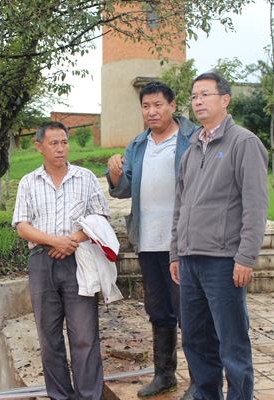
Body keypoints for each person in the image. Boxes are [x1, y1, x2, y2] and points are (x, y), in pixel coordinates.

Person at [169, 71, 269, 400]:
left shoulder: (244, 143)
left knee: (232, 342)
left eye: (205, 95)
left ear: (225, 99)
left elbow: (256, 205)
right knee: (196, 340)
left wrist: (246, 257)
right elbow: (180, 206)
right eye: (194, 96)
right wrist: (175, 253)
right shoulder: (191, 150)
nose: (198, 101)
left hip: (223, 262)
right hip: (190, 261)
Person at [106, 81, 197, 399]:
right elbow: (122, 189)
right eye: (146, 106)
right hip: (147, 240)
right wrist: (114, 172)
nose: (152, 111)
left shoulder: (192, 138)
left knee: (188, 311)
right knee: (158, 309)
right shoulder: (138, 144)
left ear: (172, 105)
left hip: (182, 244)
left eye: (158, 104)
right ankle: (165, 376)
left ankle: (199, 381)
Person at [12, 120, 110, 400]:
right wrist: (54, 241)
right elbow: (22, 226)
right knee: (49, 337)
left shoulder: (85, 178)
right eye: (53, 143)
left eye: (64, 142)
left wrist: (71, 241)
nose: (60, 148)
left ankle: (88, 395)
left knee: (84, 336)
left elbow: (100, 218)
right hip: (42, 263)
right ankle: (60, 396)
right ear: (39, 146)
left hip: (79, 260)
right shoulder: (29, 182)